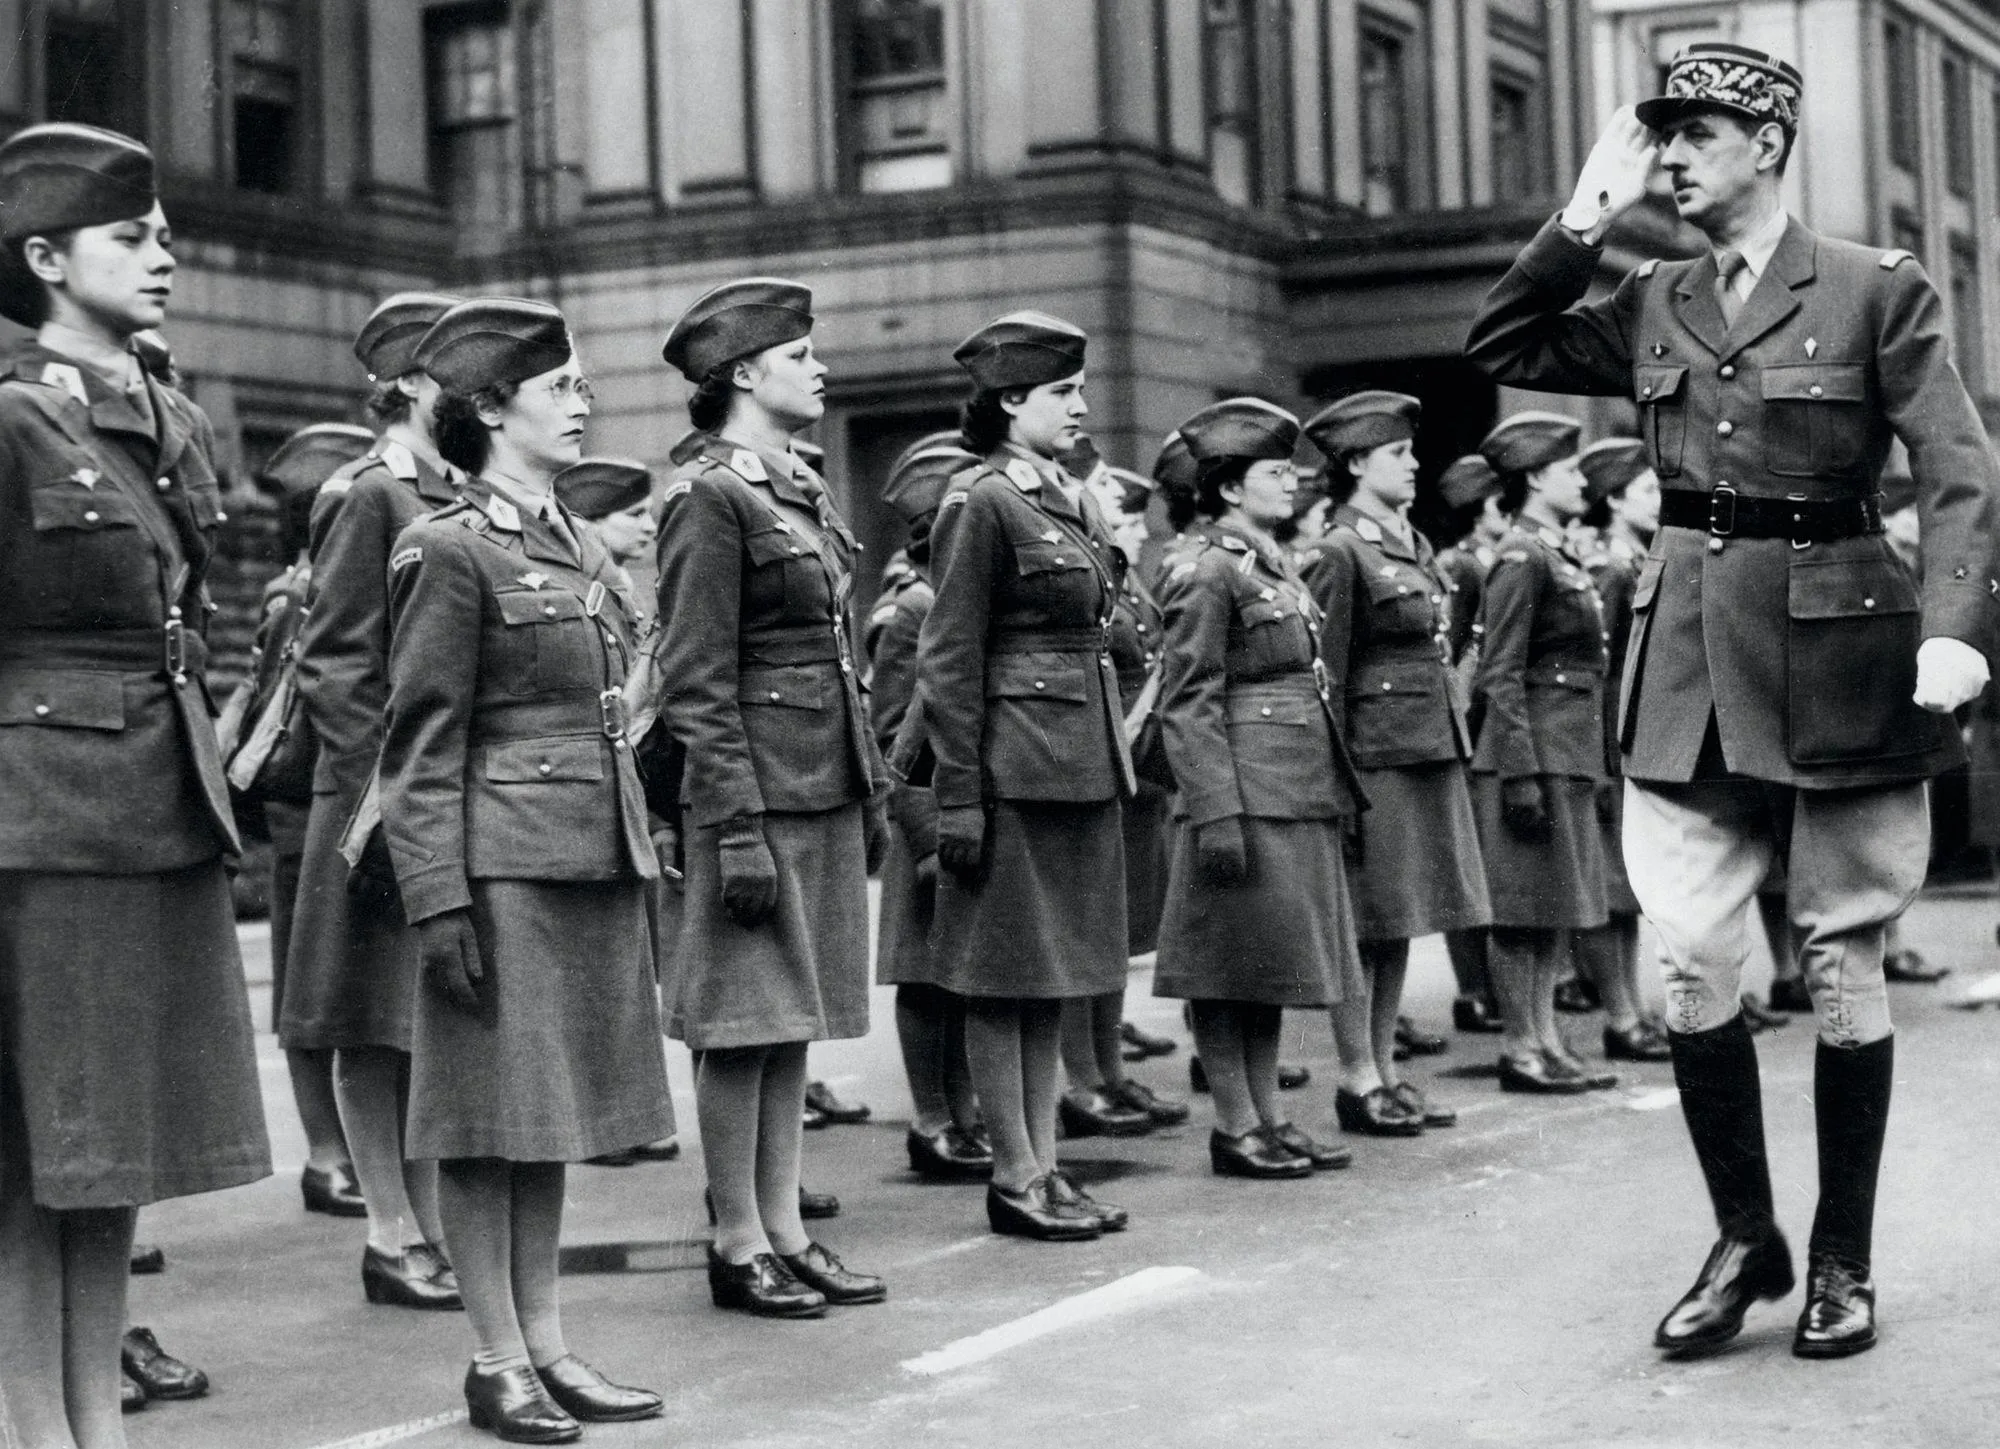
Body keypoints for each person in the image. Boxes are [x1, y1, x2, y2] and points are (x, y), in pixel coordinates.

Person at [1465, 42, 1999, 1359]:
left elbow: (1958, 468)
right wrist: (1582, 218)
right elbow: (1505, 340)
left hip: (1838, 649)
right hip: (1689, 667)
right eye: (1662, 137)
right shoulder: (1655, 296)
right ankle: (1748, 1237)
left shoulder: (1878, 288)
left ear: (1769, 140)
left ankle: (1842, 1259)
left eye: (1695, 132)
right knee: (1695, 959)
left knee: (1840, 954)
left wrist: (1952, 631)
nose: (1673, 156)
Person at [0, 121, 272, 1447]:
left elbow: (196, 611)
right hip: (42, 813)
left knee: (112, 1155)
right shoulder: (9, 412)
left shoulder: (157, 405)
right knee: (30, 1155)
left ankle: (93, 1419)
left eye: (163, 232)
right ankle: (32, 1425)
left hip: (152, 800)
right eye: (131, 235)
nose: (163, 253)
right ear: (44, 256)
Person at [380, 297, 672, 1440]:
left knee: (545, 1118)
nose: (583, 399)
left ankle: (548, 1345)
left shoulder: (576, 540)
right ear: (491, 408)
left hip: (586, 855)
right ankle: (493, 1357)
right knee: (482, 1121)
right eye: (559, 386)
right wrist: (437, 895)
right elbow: (419, 741)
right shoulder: (443, 547)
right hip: (497, 867)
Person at [654, 278, 888, 1315]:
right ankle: (736, 1235)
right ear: (746, 372)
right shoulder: (711, 495)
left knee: (787, 1019)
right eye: (803, 353)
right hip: (754, 789)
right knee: (742, 1019)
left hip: (816, 782)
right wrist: (733, 824)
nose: (821, 367)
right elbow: (694, 675)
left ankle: (784, 1224)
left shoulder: (790, 483)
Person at [895, 310, 1137, 1240]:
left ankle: (1044, 1162)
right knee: (1003, 980)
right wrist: (958, 794)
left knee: (1051, 977)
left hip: (1075, 761)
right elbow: (948, 657)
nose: (1080, 406)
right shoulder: (980, 501)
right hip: (1012, 766)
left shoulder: (1063, 498)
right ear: (1009, 400)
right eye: (1062, 392)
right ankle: (1014, 1173)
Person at [283, 291, 465, 1311]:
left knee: (422, 1018)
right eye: (455, 372)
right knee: (368, 1018)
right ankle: (392, 1231)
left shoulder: (447, 489)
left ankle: (428, 1224)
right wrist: (382, 809)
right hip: (374, 803)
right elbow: (336, 664)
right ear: (408, 385)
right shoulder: (369, 495)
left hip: (426, 793)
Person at [1151, 397, 1363, 1178]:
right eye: (1277, 472)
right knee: (1225, 967)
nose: (1295, 482)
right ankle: (1236, 1124)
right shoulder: (1208, 570)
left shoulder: (1266, 562)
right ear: (1232, 488)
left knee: (1264, 964)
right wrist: (1214, 811)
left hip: (1290, 786)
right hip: (1242, 790)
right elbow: (1190, 697)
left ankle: (1268, 1115)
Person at [1300, 392, 1490, 1136]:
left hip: (1421, 752)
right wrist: (1336, 784)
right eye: (1397, 454)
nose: (1414, 465)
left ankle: (1384, 1068)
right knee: (1364, 925)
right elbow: (1329, 680)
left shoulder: (1401, 541)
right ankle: (1356, 1076)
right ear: (1354, 464)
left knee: (1398, 920)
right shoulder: (1339, 551)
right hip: (1373, 762)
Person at [242, 423, 376, 1216]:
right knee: (307, 983)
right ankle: (325, 1155)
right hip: (304, 800)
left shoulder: (320, 583)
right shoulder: (299, 593)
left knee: (333, 980)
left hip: (331, 793)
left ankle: (344, 1152)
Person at [1465, 413, 1617, 1097]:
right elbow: (1500, 671)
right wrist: (1520, 769)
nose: (1581, 480)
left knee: (1555, 905)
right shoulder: (1522, 557)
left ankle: (1547, 1037)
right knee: (1522, 908)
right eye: (1568, 469)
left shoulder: (1556, 551)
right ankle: (1519, 1044)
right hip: (1533, 754)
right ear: (1534, 478)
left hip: (1568, 750)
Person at [550, 456, 687, 1172]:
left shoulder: (626, 588)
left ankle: (617, 1113)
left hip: (628, 786)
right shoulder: (593, 585)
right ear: (592, 521)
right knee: (598, 963)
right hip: (594, 782)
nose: (647, 525)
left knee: (624, 961)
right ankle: (600, 1116)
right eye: (632, 514)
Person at [869, 437, 994, 1181]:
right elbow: (893, 732)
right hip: (927, 812)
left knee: (963, 974)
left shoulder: (952, 597)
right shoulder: (910, 610)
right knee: (924, 976)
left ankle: (967, 1110)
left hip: (965, 806)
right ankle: (933, 1117)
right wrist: (919, 836)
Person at [1059, 461, 1190, 1137]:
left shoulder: (1124, 576)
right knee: (1089, 935)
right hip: (1105, 766)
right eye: (1122, 514)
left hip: (1136, 778)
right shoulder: (1094, 572)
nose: (1134, 530)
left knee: (1113, 935)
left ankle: (1108, 1069)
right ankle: (1084, 1078)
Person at [1572, 438, 1672, 1063]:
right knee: (1611, 886)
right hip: (1612, 734)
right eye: (1647, 493)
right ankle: (1620, 1014)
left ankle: (1633, 1008)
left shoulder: (1642, 558)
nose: (1660, 502)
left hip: (1641, 732)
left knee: (1630, 886)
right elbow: (1598, 668)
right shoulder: (1612, 569)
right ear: (1613, 500)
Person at [1433, 453, 1508, 1037]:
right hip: (1469, 719)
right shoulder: (1460, 565)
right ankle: (1472, 988)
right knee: (1467, 860)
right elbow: (1458, 649)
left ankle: (1488, 985)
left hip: (1486, 718)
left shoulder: (1485, 561)